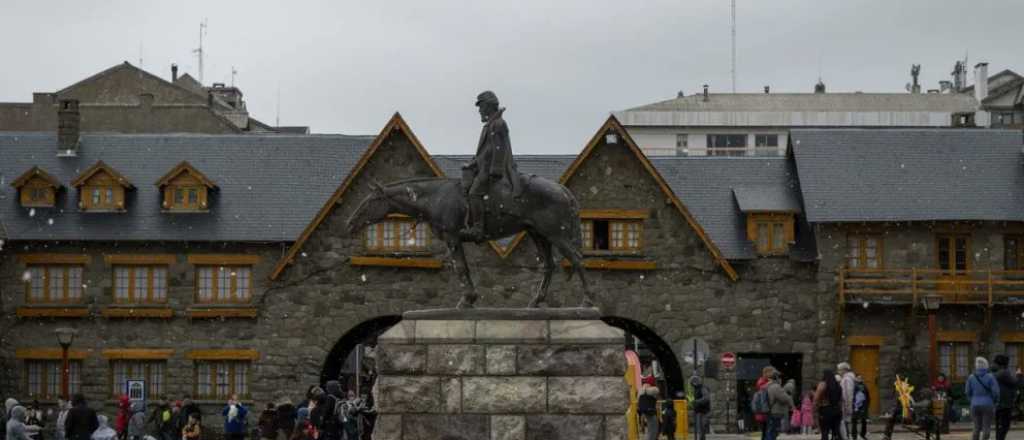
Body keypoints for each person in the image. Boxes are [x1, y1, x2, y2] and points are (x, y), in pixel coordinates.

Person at [459, 90, 520, 241]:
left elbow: (498, 150)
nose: (479, 110)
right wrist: (472, 163)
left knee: (474, 193)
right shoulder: (491, 124)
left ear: (488, 106)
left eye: (481, 107)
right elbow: (485, 152)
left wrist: (495, 172)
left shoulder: (498, 124)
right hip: (485, 167)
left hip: (494, 170)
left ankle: (478, 228)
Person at [967, 357, 1000, 440]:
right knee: (986, 426)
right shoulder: (990, 377)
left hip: (974, 404)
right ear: (986, 366)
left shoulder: (971, 377)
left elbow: (967, 391)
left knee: (976, 427)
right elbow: (995, 392)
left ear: (976, 366)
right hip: (988, 404)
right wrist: (995, 401)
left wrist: (972, 400)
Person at [992, 354, 1021, 440]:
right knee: (1004, 426)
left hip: (997, 403)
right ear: (1005, 363)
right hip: (1005, 403)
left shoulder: (994, 372)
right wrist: (1019, 375)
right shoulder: (1003, 373)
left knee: (999, 426)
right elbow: (1016, 383)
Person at [766, 371, 794, 440]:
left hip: (770, 410)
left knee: (770, 430)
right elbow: (784, 398)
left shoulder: (768, 385)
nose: (781, 380)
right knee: (774, 431)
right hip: (776, 411)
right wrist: (788, 396)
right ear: (777, 378)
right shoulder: (776, 387)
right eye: (780, 378)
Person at [815, 369, 843, 440]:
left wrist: (816, 408)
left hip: (825, 410)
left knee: (825, 431)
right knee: (836, 431)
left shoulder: (823, 384)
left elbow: (816, 398)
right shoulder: (838, 385)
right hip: (837, 410)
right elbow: (841, 399)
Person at [754, 366, 775, 440]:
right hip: (764, 410)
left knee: (767, 430)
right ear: (766, 373)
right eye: (771, 372)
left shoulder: (766, 381)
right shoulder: (762, 381)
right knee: (765, 430)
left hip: (766, 409)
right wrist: (771, 383)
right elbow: (763, 389)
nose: (772, 374)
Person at [837, 362, 856, 440]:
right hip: (846, 404)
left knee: (844, 423)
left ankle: (846, 437)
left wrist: (847, 406)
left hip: (845, 404)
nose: (838, 372)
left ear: (844, 370)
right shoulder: (847, 378)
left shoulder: (846, 379)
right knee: (844, 423)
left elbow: (847, 394)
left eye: (839, 370)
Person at [852, 375, 871, 440]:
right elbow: (868, 397)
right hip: (861, 406)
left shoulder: (856, 386)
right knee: (859, 421)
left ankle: (857, 435)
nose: (860, 379)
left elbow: (868, 397)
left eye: (861, 378)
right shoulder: (863, 386)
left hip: (857, 406)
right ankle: (860, 435)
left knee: (856, 421)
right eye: (858, 378)